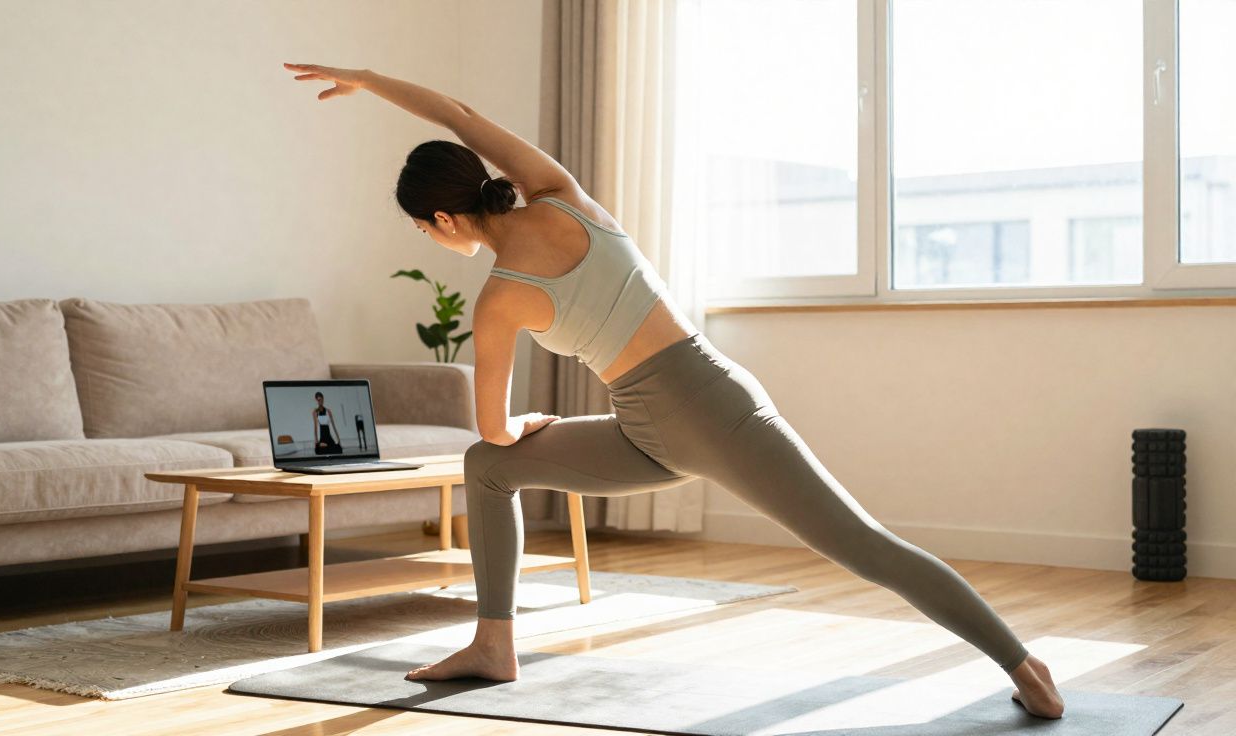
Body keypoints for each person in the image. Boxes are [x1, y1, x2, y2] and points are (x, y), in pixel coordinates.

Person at [282, 62, 1066, 720]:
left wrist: (522, 421)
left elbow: (492, 423)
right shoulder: (562, 194)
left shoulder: (499, 297)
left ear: (445, 217)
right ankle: (494, 645)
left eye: (425, 230)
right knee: (490, 469)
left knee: (861, 545)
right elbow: (460, 114)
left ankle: (1021, 663)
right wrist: (367, 79)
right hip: (658, 420)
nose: (432, 242)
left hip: (707, 415)